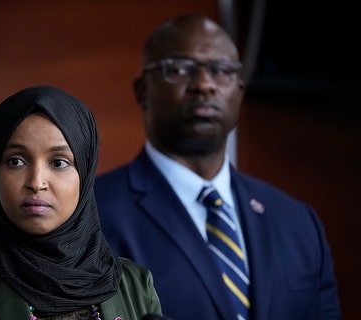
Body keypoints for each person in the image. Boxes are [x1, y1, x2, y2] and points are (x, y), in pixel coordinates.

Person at [94, 14, 341, 320]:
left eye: (220, 70)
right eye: (180, 69)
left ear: (240, 90)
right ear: (142, 91)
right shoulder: (92, 215)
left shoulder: (299, 222)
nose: (204, 84)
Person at [0, 85, 164, 320]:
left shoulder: (136, 285)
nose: (36, 182)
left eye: (59, 162)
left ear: (86, 172)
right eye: (16, 161)